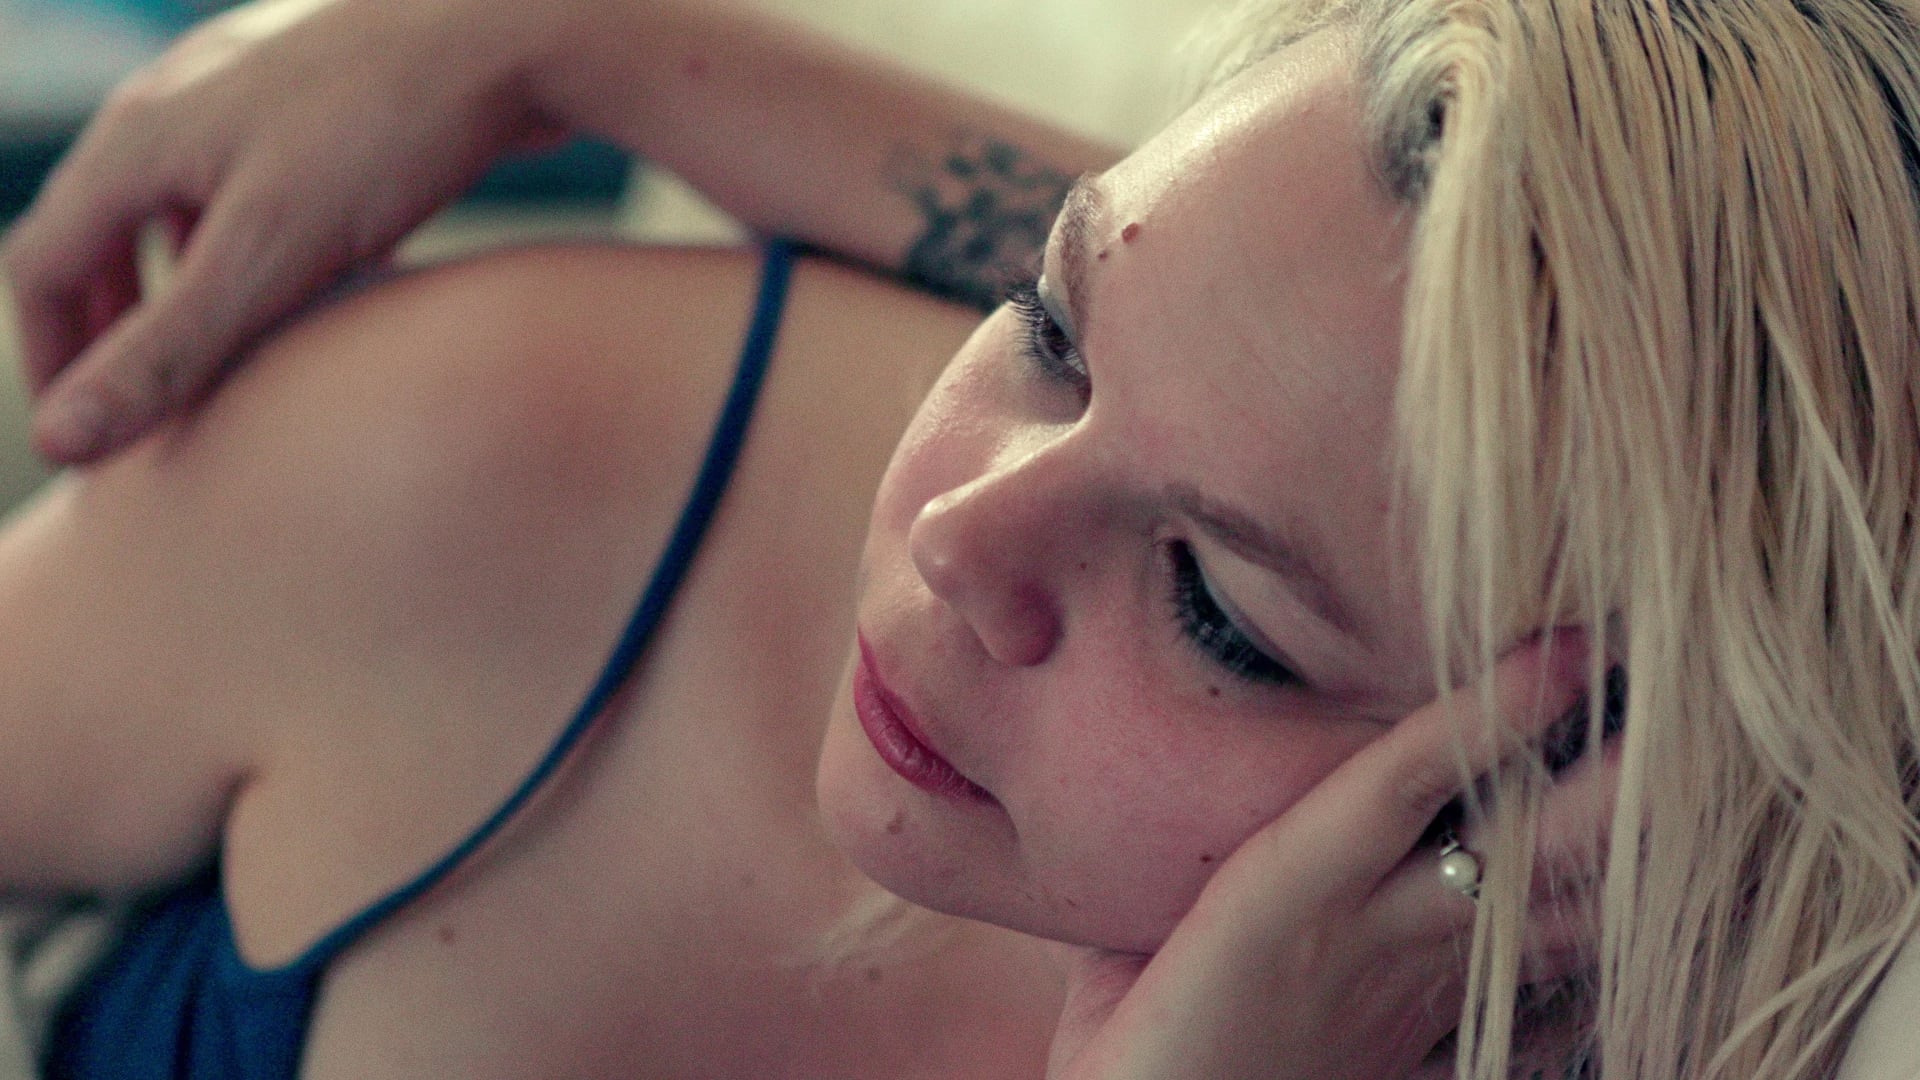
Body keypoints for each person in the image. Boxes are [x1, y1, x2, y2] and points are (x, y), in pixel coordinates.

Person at [3, 1, 1917, 1079]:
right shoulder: (502, 467)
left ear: (1581, 782)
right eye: (1047, 326)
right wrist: (575, 43)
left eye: (1216, 610)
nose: (955, 535)